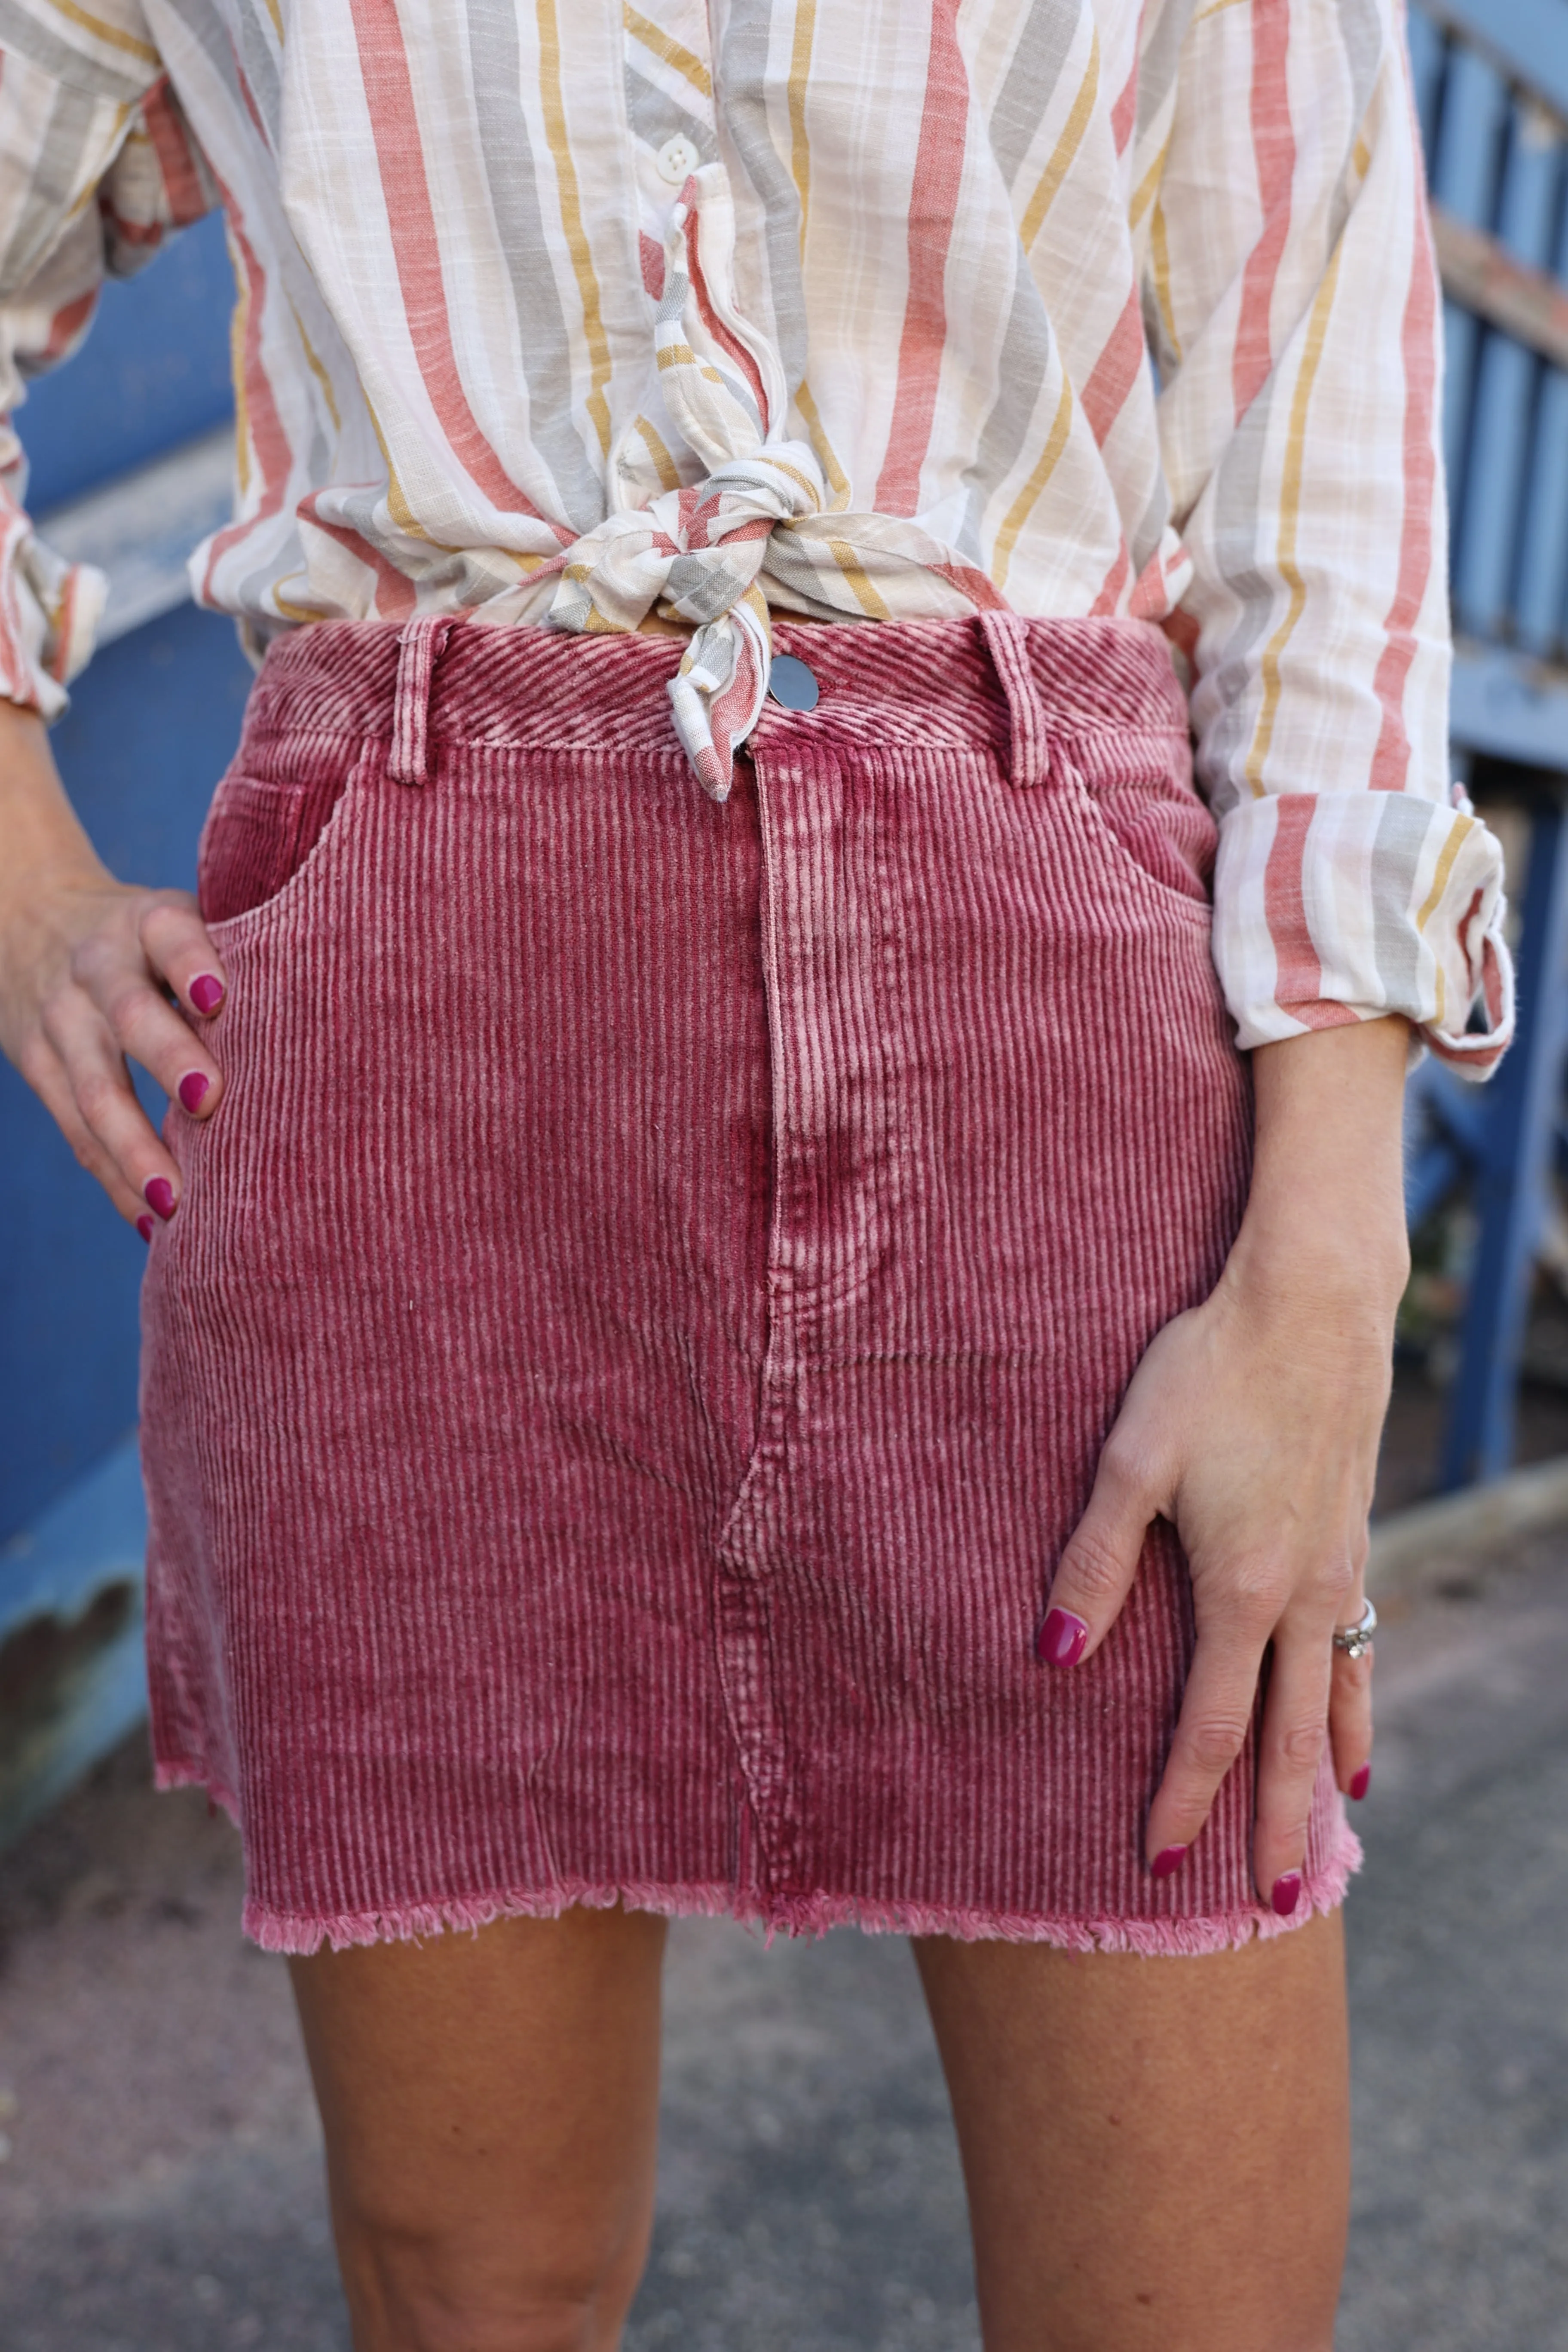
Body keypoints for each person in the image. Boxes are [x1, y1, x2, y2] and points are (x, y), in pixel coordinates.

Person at [0, 0, 1511, 2345]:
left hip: (1056, 1035)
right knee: (467, 2277)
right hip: (428, 1046)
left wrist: (1323, 1257)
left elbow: (1325, 451)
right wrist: (23, 886)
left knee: (1186, 2302)